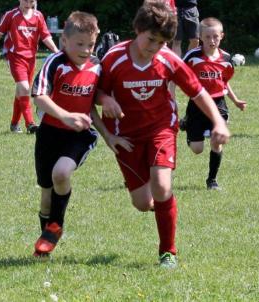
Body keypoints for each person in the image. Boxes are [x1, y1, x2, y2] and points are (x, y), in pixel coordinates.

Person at [97, 0, 230, 268]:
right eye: (151, 40)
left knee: (161, 186)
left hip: (161, 129)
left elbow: (197, 91)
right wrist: (105, 99)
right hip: (125, 136)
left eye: (162, 43)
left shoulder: (168, 59)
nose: (155, 47)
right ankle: (165, 207)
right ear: (137, 29)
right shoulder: (114, 58)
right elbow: (95, 92)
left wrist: (218, 121)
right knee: (142, 203)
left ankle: (167, 252)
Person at [32, 11, 132, 257]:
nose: (86, 50)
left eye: (91, 45)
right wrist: (64, 115)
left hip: (79, 135)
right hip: (48, 135)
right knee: (46, 196)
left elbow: (92, 102)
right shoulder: (55, 62)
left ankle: (56, 226)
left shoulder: (96, 67)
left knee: (62, 173)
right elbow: (39, 96)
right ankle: (47, 241)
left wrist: (109, 134)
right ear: (64, 41)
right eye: (80, 44)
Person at [179, 17, 246, 190]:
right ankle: (187, 123)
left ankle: (212, 180)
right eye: (207, 37)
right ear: (200, 37)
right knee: (197, 149)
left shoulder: (226, 59)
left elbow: (224, 83)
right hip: (197, 104)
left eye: (215, 36)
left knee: (217, 140)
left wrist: (236, 100)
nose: (212, 40)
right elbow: (177, 74)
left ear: (221, 36)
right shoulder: (192, 56)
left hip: (218, 103)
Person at [0, 0, 59, 134]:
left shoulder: (38, 16)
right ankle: (30, 124)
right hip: (15, 57)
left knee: (21, 91)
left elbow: (45, 37)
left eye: (31, 1)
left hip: (31, 59)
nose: (28, 3)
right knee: (24, 88)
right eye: (26, 0)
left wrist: (57, 52)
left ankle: (14, 123)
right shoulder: (11, 15)